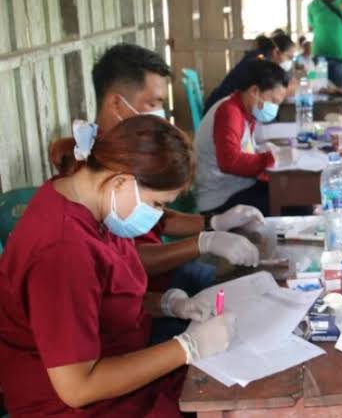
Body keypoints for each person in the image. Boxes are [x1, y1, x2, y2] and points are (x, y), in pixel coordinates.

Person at [0, 116, 234, 417]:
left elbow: (101, 295)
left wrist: (167, 304)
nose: (158, 214)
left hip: (118, 362)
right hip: (73, 405)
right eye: (157, 204)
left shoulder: (88, 201)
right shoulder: (61, 250)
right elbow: (77, 388)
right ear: (121, 181)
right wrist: (187, 347)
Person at [48, 44, 261, 340]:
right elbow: (124, 261)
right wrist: (203, 242)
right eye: (153, 103)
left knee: (248, 289)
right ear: (117, 104)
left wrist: (212, 222)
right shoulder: (95, 175)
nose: (160, 114)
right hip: (140, 301)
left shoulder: (127, 159)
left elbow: (156, 216)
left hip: (154, 293)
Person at [195, 60, 292, 216]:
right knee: (296, 205)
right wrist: (271, 159)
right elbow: (230, 161)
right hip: (220, 198)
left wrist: (264, 151)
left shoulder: (245, 110)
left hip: (236, 187)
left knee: (290, 193)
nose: (275, 107)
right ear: (255, 91)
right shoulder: (229, 112)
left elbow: (243, 148)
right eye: (273, 101)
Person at [204, 33, 296, 112]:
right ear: (276, 52)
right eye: (289, 57)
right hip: (220, 108)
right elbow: (269, 91)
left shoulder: (260, 58)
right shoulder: (258, 62)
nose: (290, 62)